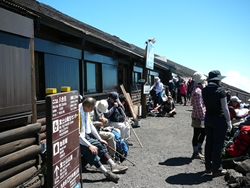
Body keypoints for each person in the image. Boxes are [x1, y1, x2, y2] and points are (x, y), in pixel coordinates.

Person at [79, 97, 128, 183]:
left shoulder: (85, 110)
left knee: (100, 145)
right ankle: (106, 173)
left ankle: (113, 165)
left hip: (85, 136)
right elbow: (77, 135)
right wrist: (89, 145)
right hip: (77, 140)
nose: (93, 109)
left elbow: (90, 125)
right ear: (89, 107)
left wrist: (99, 138)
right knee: (92, 151)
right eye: (92, 108)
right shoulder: (78, 114)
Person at [202, 70, 232, 177]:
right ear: (218, 80)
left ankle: (208, 167)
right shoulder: (220, 91)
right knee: (218, 144)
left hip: (208, 118)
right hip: (218, 120)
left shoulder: (204, 90)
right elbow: (225, 107)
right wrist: (229, 121)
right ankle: (217, 169)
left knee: (209, 142)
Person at [190, 72, 206, 159]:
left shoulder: (197, 89)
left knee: (201, 133)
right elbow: (199, 106)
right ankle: (196, 151)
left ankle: (198, 150)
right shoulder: (198, 91)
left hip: (197, 115)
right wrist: (202, 118)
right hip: (199, 116)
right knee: (197, 134)